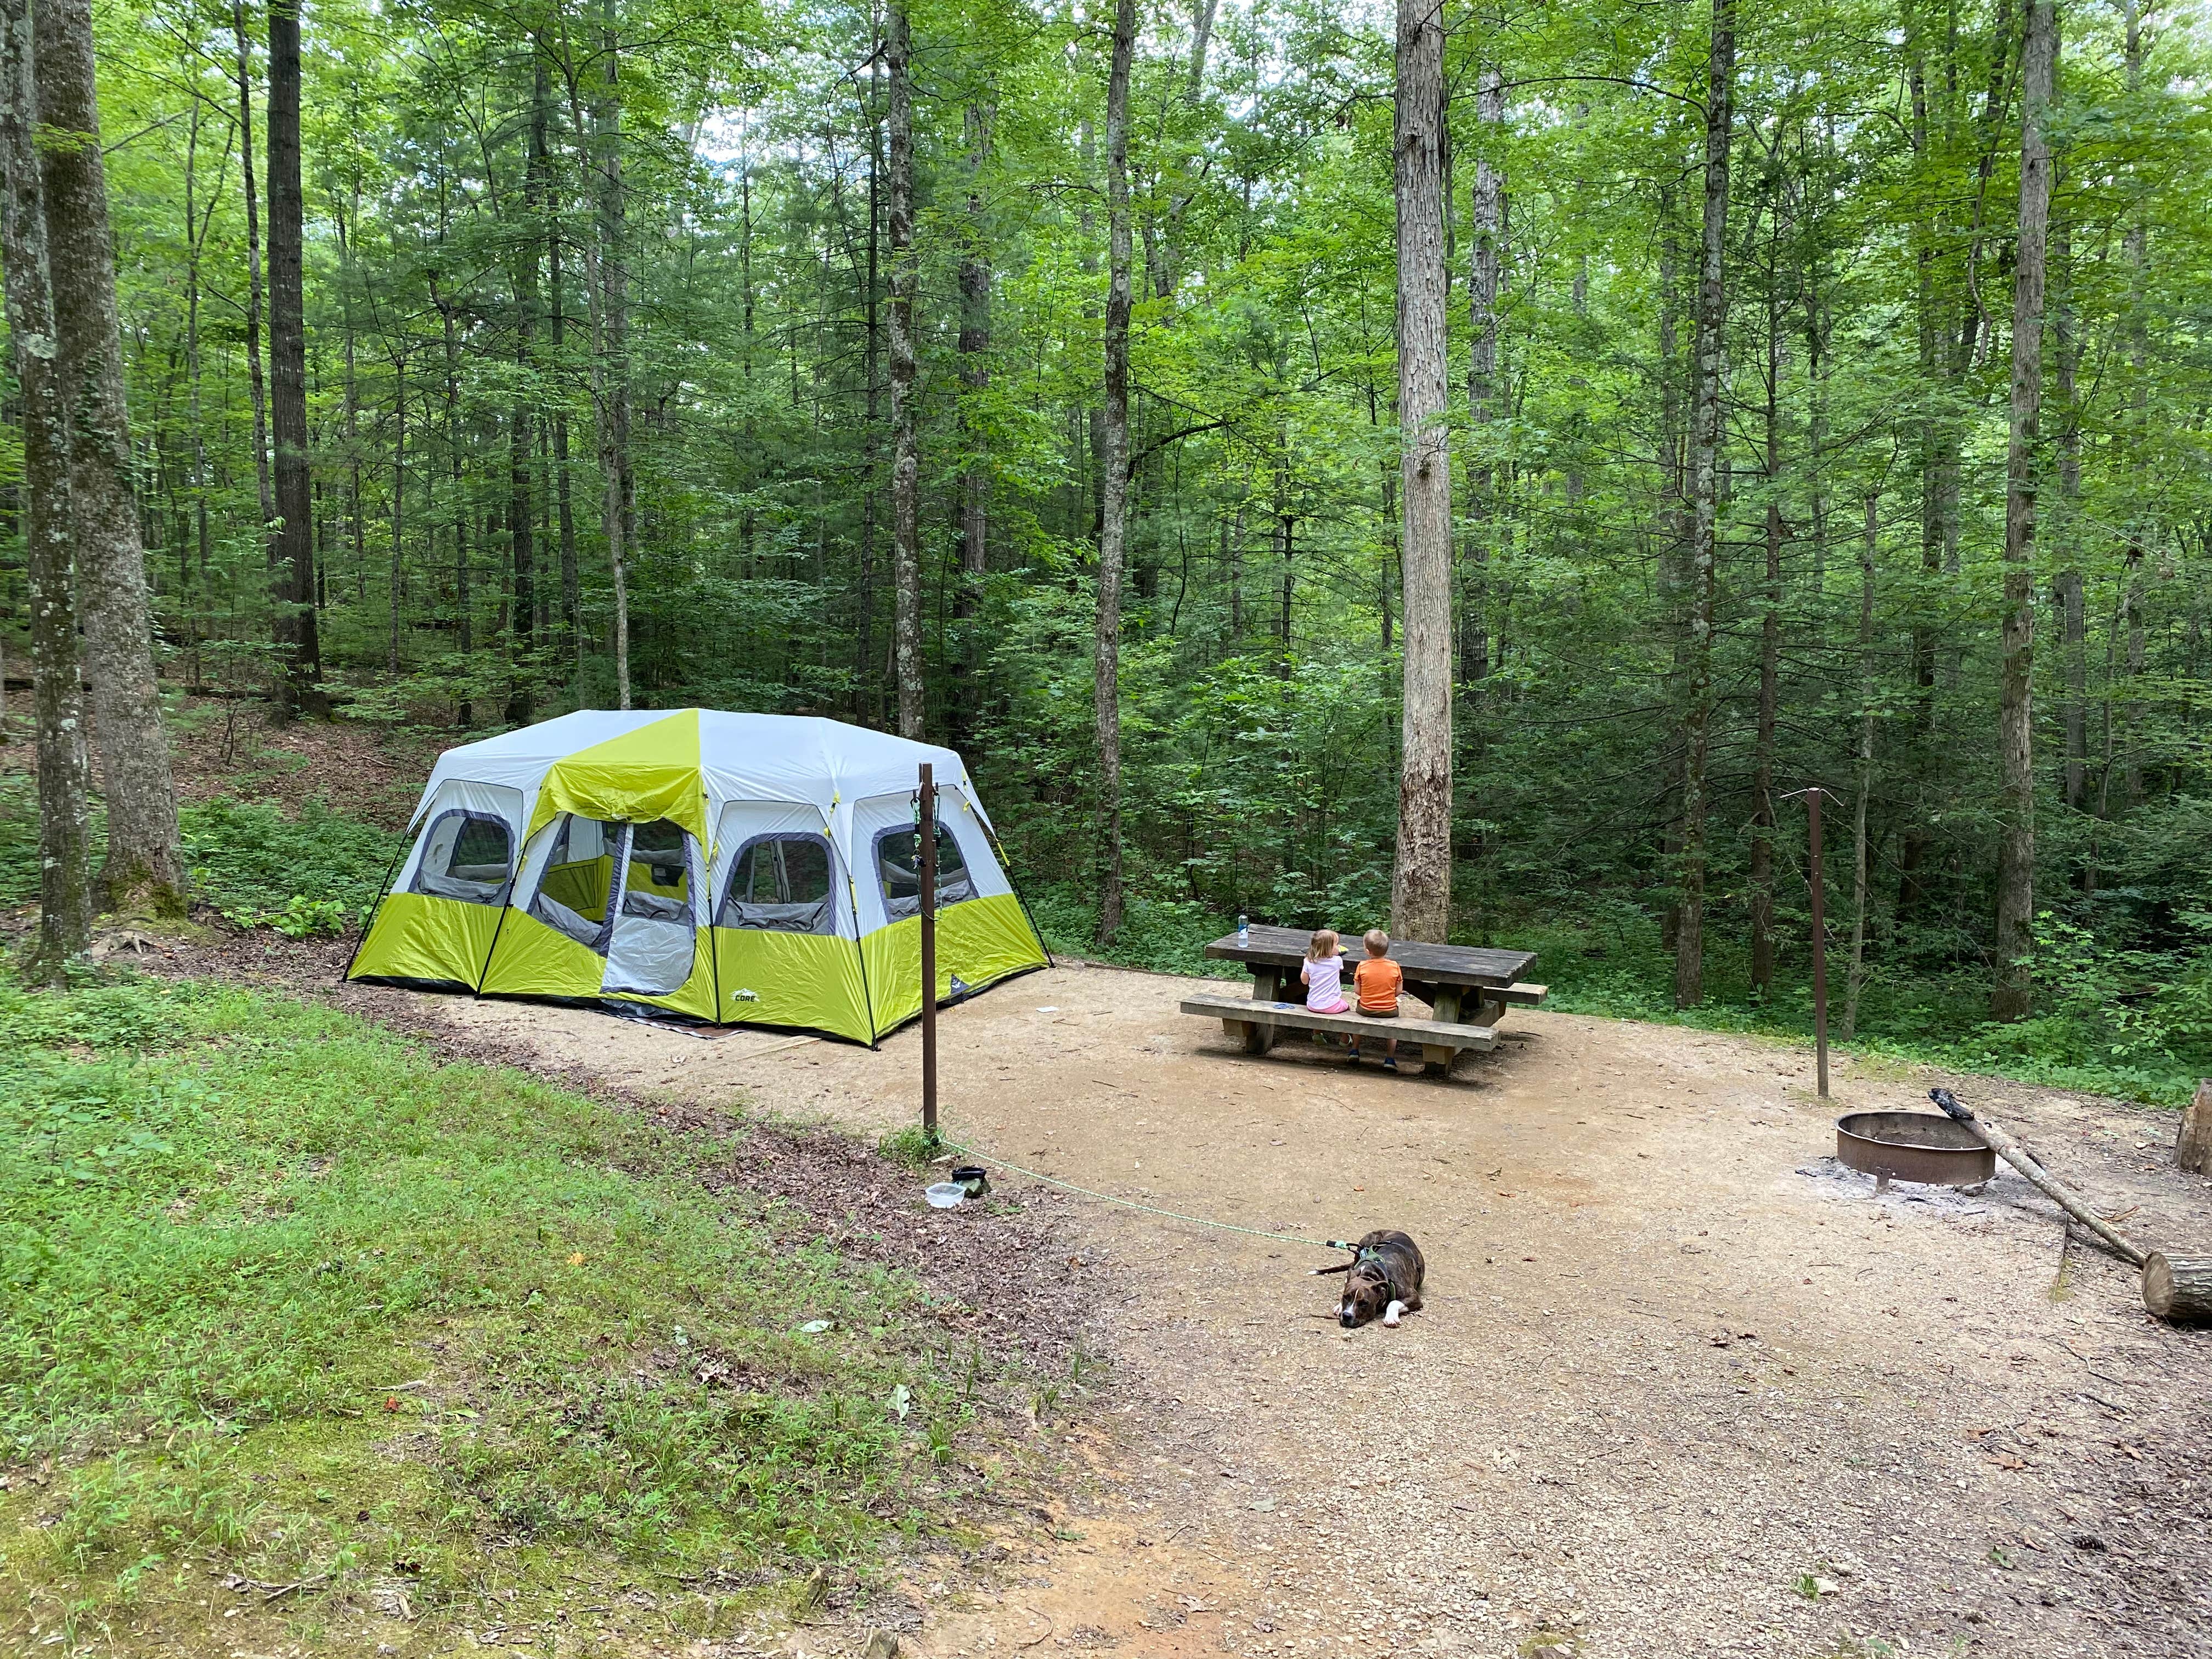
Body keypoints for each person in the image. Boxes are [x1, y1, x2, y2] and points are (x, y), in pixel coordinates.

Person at [1351, 928, 1405, 1069]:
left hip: (1365, 1009)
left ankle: (1354, 1051)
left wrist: (1370, 996)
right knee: (1393, 1030)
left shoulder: (1362, 966)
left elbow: (1357, 991)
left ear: (1368, 952)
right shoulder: (1395, 966)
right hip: (1389, 1011)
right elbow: (1398, 991)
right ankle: (1390, 1059)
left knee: (1357, 1021)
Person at [1300, 928, 1351, 1014]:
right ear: (1328, 949)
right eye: (1337, 944)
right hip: (1332, 1006)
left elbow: (1305, 981)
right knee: (1347, 1006)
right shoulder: (1337, 961)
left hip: (1312, 1005)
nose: (1338, 947)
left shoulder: (1308, 961)